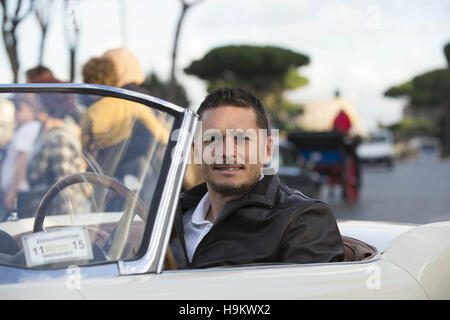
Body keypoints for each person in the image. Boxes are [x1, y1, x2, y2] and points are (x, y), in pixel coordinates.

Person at [171, 87, 345, 269]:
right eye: (212, 139)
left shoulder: (303, 221)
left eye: (242, 139)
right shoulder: (171, 216)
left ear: (267, 149)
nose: (227, 153)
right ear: (195, 150)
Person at [24, 91, 86, 217]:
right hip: (46, 219)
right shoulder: (45, 134)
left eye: (37, 103)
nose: (34, 107)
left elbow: (65, 189)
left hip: (55, 221)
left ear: (47, 105)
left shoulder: (58, 138)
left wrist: (64, 228)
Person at [0, 94, 41, 220]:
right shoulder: (25, 128)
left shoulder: (29, 128)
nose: (16, 113)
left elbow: (22, 161)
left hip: (19, 191)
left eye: (19, 108)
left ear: (31, 108)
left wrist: (12, 192)